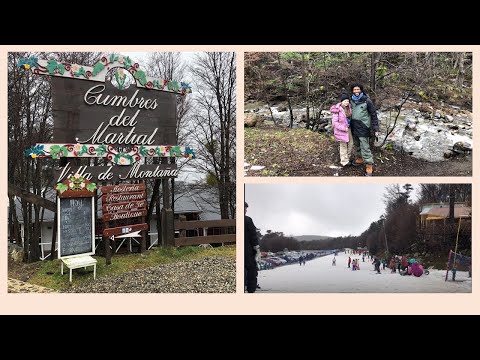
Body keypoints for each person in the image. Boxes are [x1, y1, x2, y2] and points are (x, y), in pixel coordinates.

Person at [349, 83, 379, 176]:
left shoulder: (367, 101)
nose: (356, 91)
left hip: (364, 126)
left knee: (365, 147)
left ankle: (369, 165)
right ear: (352, 91)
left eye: (358, 89)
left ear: (361, 90)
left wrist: (375, 127)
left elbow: (373, 114)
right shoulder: (351, 100)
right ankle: (360, 159)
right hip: (354, 126)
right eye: (355, 90)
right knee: (356, 144)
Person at [330, 93, 353, 167]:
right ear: (341, 101)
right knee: (343, 145)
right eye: (345, 101)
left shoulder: (349, 108)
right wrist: (343, 128)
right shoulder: (337, 110)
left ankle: (348, 158)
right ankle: (344, 161)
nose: (346, 102)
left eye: (347, 101)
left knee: (351, 144)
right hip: (341, 130)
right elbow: (335, 123)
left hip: (348, 129)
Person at [244, 202, 260, 293]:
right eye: (245, 208)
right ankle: (250, 289)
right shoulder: (247, 220)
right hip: (247, 251)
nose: (246, 210)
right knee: (251, 269)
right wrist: (257, 249)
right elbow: (253, 236)